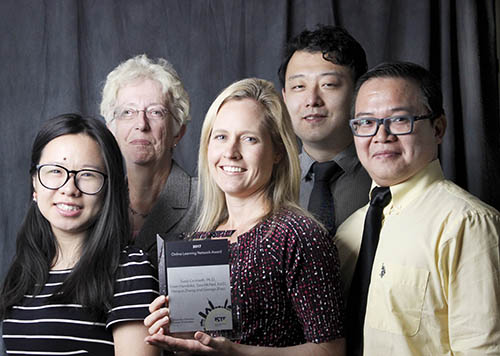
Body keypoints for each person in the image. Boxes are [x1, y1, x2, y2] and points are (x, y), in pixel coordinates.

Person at [144, 78, 346, 355]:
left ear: (277, 151)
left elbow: (330, 351)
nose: (231, 152)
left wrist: (237, 353)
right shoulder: (200, 239)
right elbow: (203, 340)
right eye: (221, 137)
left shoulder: (299, 235)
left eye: (249, 139)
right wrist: (181, 334)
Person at [336, 62, 500, 355]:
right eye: (365, 122)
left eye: (399, 120)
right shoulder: (350, 231)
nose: (381, 135)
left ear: (438, 128)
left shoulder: (467, 223)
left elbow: (483, 350)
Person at [0, 114, 160, 355]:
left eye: (87, 174)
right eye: (54, 171)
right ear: (34, 183)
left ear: (108, 189)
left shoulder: (130, 269)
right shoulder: (24, 271)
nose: (69, 189)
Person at [100, 54, 199, 263]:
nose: (141, 124)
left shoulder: (206, 202)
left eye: (156, 112)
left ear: (178, 131)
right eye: (127, 112)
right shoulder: (97, 202)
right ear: (111, 129)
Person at [278, 25, 371, 234]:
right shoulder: (269, 182)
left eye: (328, 84)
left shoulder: (386, 177)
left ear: (359, 92)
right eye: (298, 87)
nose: (312, 100)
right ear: (284, 97)